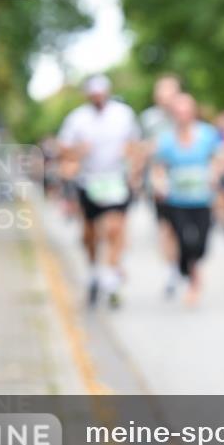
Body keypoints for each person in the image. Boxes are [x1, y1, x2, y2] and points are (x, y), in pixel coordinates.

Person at [58, 75, 141, 308]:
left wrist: (131, 160)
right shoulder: (77, 119)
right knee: (90, 234)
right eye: (93, 95)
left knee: (115, 229)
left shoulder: (123, 114)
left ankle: (112, 277)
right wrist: (78, 151)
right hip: (88, 181)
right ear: (87, 95)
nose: (97, 98)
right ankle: (94, 270)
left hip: (116, 180)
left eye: (101, 94)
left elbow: (135, 143)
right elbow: (63, 149)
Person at [151, 93, 224, 307]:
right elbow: (158, 167)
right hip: (177, 199)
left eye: (186, 111)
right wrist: (159, 183)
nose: (183, 116)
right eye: (178, 112)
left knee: (200, 245)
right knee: (183, 239)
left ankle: (190, 266)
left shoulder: (207, 134)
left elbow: (219, 157)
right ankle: (190, 276)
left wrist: (214, 174)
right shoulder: (165, 139)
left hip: (202, 198)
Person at [140, 74, 184, 297]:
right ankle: (171, 269)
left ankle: (185, 262)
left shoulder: (185, 115)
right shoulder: (149, 120)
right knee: (166, 227)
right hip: (160, 181)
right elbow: (141, 149)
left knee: (185, 229)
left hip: (187, 183)